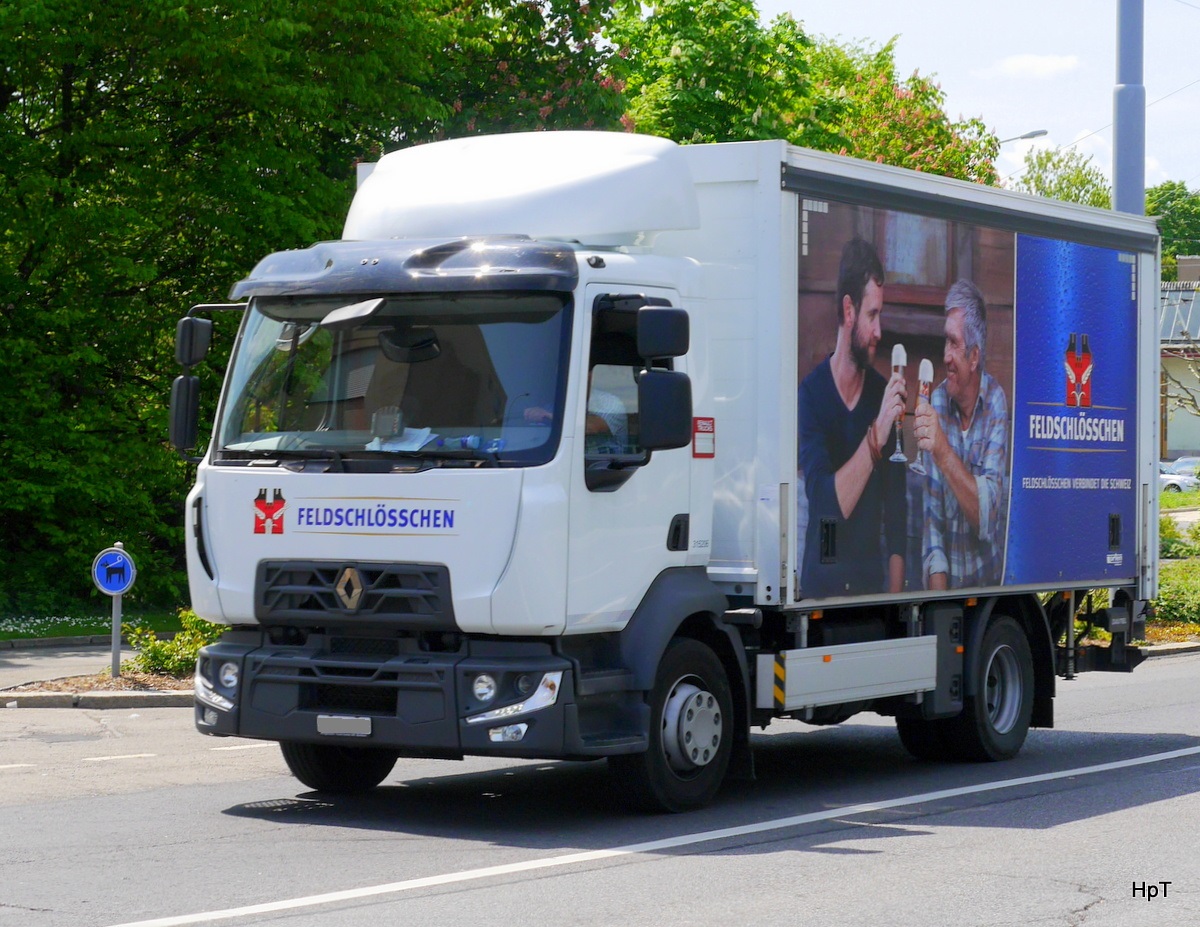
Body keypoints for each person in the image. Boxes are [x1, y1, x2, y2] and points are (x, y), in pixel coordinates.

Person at [798, 237, 907, 598]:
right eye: (872, 315)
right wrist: (876, 434)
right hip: (819, 594)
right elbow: (824, 504)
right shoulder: (811, 395)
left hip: (871, 594)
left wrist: (896, 602)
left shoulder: (881, 394)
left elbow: (897, 515)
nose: (879, 331)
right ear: (849, 310)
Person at [913, 279, 1008, 589]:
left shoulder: (995, 401)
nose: (945, 355)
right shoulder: (936, 402)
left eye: (954, 344)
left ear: (974, 357)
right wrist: (939, 605)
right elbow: (933, 529)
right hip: (947, 589)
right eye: (946, 342)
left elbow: (986, 521)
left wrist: (942, 450)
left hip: (988, 588)